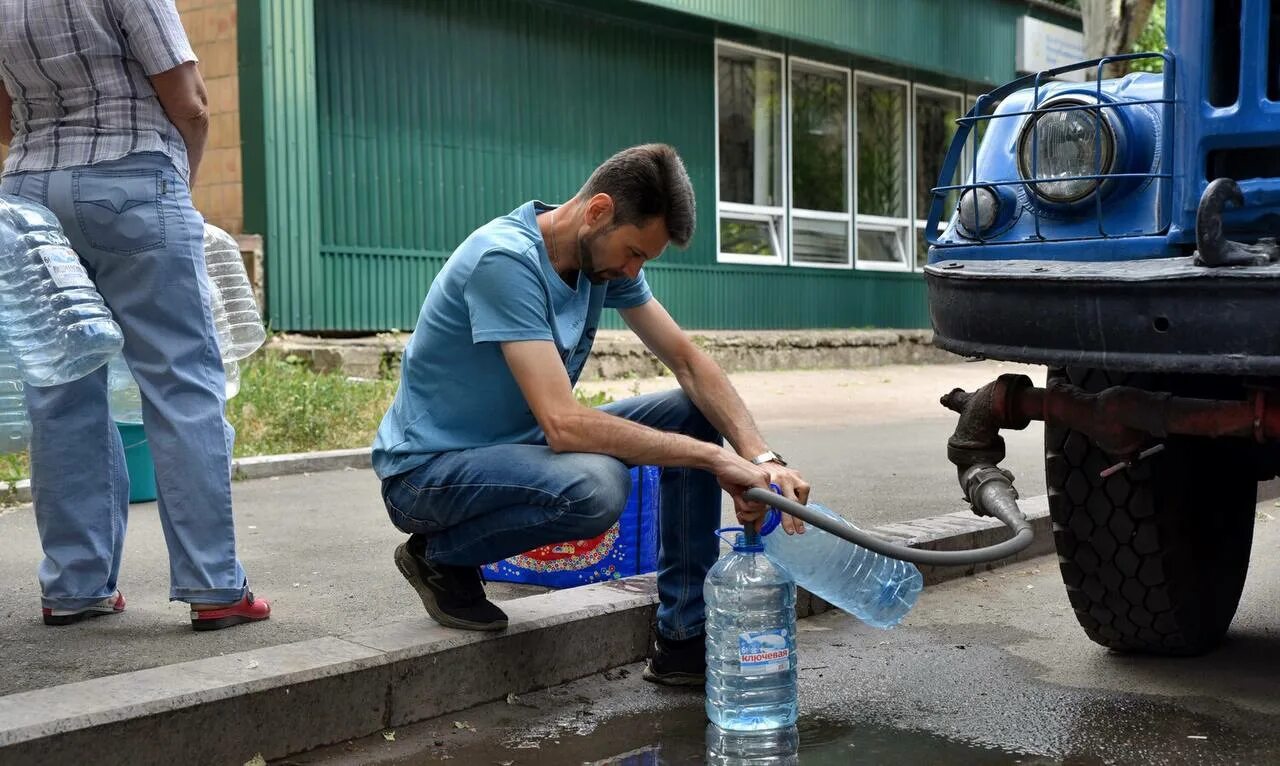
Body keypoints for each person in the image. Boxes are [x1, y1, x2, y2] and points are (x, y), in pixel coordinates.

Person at [374, 143, 810, 686]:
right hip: (428, 475)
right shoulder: (504, 262)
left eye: (643, 260)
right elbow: (565, 424)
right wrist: (715, 463)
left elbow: (689, 363)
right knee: (595, 488)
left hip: (517, 451)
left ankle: (683, 638)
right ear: (597, 210)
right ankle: (440, 556)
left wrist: (762, 459)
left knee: (691, 411)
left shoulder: (599, 260)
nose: (633, 269)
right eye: (632, 252)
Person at [0, 0, 269, 630]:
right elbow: (191, 101)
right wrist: (178, 183)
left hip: (28, 197)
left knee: (60, 393)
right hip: (134, 180)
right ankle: (213, 587)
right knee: (180, 385)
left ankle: (75, 586)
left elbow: (3, 112)